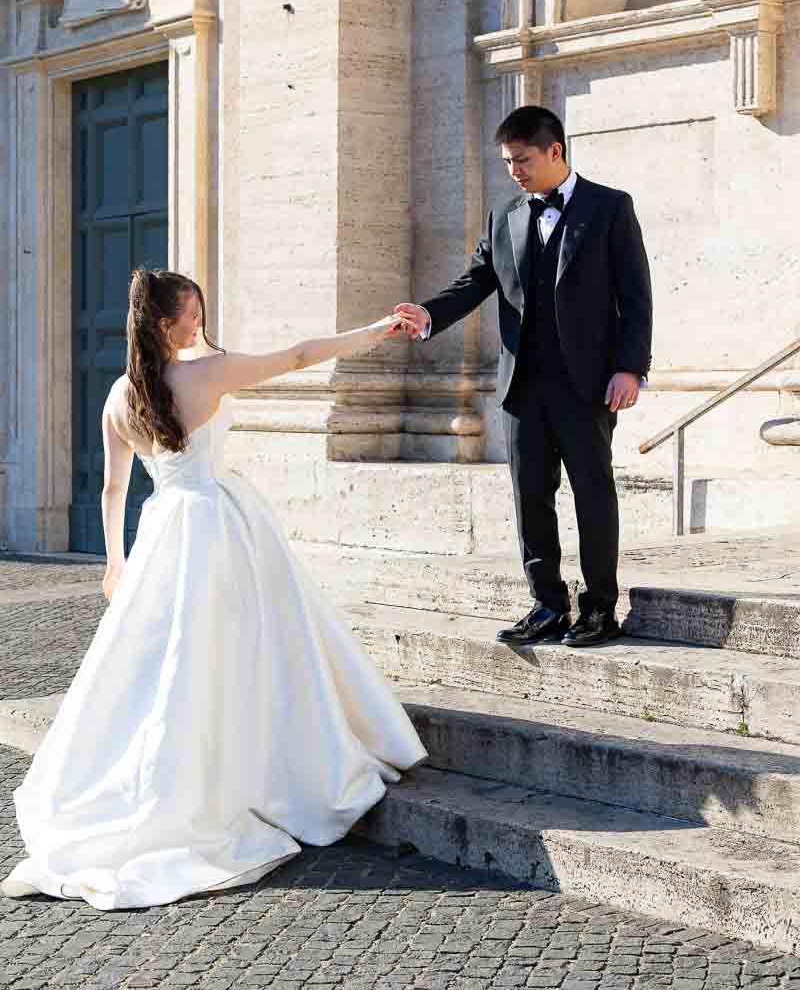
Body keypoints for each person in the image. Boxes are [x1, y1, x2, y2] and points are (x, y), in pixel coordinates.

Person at [1, 269, 426, 910]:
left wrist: (114, 562)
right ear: (171, 322)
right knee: (248, 645)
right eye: (193, 314)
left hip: (163, 526)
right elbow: (300, 355)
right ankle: (261, 765)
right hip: (219, 522)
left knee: (165, 661)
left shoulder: (120, 394)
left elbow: (113, 491)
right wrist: (373, 331)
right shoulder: (207, 374)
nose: (201, 323)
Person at [395, 106, 652, 648]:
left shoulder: (610, 208)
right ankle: (548, 605)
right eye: (508, 161)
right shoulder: (505, 214)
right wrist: (429, 315)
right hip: (520, 388)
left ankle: (600, 609)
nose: (514, 170)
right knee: (529, 496)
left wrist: (630, 368)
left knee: (592, 496)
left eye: (523, 160)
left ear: (555, 150)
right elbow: (476, 280)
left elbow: (635, 296)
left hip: (586, 386)